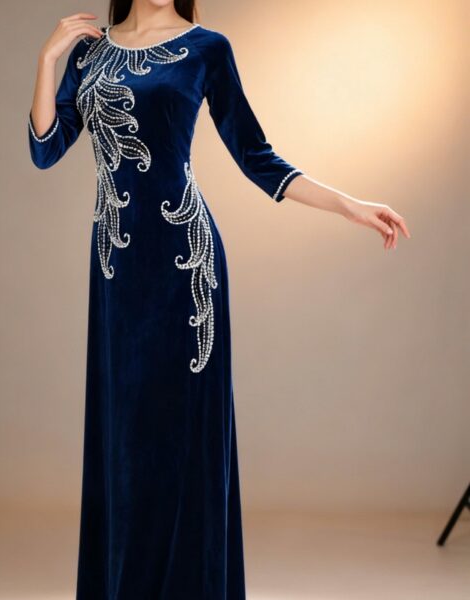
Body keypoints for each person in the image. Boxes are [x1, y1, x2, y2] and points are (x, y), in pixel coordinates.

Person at [27, 2, 411, 598]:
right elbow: (46, 149)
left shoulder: (207, 48)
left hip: (185, 266)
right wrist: (49, 59)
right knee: (125, 442)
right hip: (118, 269)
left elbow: (256, 155)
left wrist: (349, 205)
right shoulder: (90, 53)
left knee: (184, 440)